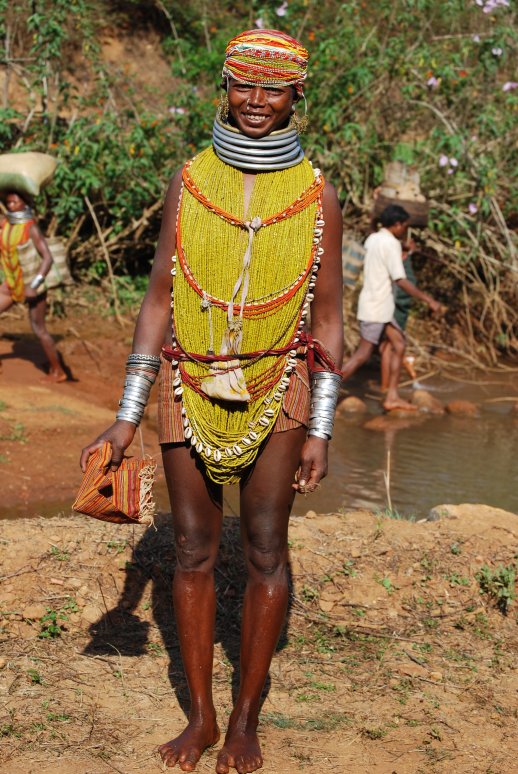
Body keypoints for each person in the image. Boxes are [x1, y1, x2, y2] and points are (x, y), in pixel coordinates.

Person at [80, 29, 343, 774]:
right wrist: (129, 414)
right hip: (187, 378)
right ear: (223, 88)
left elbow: (327, 321)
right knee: (191, 551)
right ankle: (200, 717)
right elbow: (160, 299)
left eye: (274, 88)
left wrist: (320, 427)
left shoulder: (316, 194)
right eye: (243, 85)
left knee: (265, 551)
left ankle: (245, 721)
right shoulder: (190, 181)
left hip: (280, 383)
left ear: (297, 96)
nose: (257, 101)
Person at [341, 204, 440, 411]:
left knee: (399, 344)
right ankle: (321, 392)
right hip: (377, 308)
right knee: (362, 355)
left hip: (379, 307)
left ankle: (392, 397)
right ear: (397, 225)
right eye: (404, 226)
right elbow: (400, 279)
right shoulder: (391, 243)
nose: (404, 230)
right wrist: (428, 299)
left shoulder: (373, 238)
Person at [0, 191, 66, 381]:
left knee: (39, 330)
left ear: (24, 203)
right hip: (11, 285)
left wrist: (34, 285)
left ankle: (58, 371)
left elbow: (48, 258)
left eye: (14, 202)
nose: (10, 205)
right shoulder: (5, 224)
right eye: (8, 202)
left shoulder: (31, 228)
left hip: (31, 287)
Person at [379, 238, 418, 389]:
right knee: (391, 346)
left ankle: (386, 387)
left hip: (397, 308)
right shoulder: (397, 259)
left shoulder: (402, 258)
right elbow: (401, 284)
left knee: (389, 346)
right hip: (393, 308)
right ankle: (387, 388)